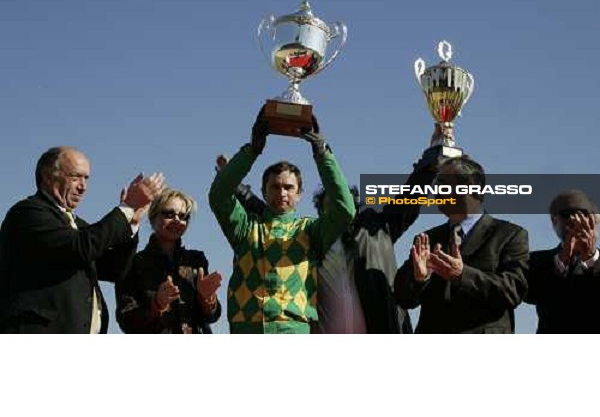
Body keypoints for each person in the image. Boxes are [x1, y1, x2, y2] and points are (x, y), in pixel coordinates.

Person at [217, 128, 439, 334]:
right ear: (320, 211)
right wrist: (238, 184)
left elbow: (409, 200)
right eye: (327, 204)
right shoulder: (310, 236)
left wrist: (430, 162)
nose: (336, 208)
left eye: (341, 202)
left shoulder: (377, 230)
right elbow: (272, 219)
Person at [209, 108, 355, 334]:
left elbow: (345, 209)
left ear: (300, 194)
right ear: (263, 191)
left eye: (289, 187)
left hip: (293, 329)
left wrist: (322, 154)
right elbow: (219, 195)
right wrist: (252, 150)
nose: (282, 193)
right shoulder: (246, 227)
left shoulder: (310, 231)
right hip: (246, 328)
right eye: (275, 187)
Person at [0, 146, 165, 333]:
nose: (83, 186)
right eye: (75, 177)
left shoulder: (78, 225)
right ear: (47, 176)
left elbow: (113, 269)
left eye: (86, 178)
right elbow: (81, 247)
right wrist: (126, 207)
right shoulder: (27, 214)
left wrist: (132, 223)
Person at [394, 156, 529, 334]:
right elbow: (403, 298)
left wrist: (462, 274)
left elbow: (512, 291)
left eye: (443, 183)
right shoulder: (427, 239)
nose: (436, 191)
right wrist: (419, 278)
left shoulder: (510, 235)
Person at [116, 188, 222, 334]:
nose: (177, 220)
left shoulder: (196, 261)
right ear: (153, 217)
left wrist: (207, 299)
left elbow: (212, 317)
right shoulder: (134, 263)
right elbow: (126, 320)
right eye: (169, 214)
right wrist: (156, 304)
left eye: (184, 216)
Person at [526, 190, 600, 333]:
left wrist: (590, 257)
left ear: (595, 219)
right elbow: (530, 294)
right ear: (554, 220)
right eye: (566, 214)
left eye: (583, 214)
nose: (575, 220)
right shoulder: (536, 261)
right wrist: (563, 258)